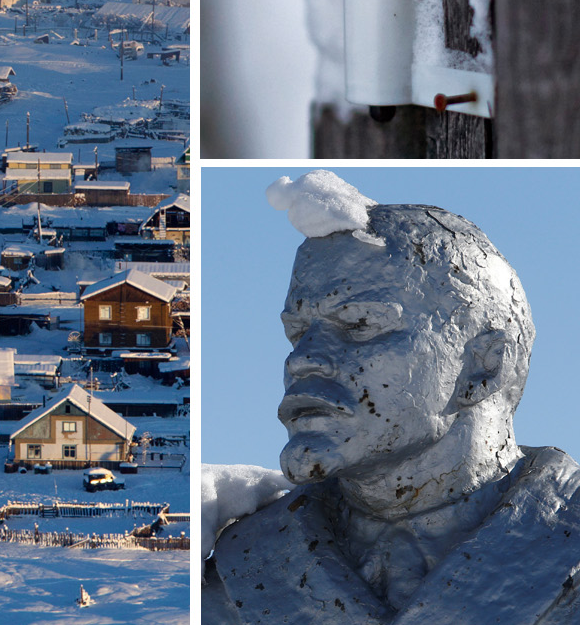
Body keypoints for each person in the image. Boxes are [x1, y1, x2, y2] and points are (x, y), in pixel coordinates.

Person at [204, 176, 580, 624]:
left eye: (360, 323)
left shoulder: (566, 539)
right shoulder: (229, 582)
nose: (302, 359)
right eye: (297, 333)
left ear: (484, 366)